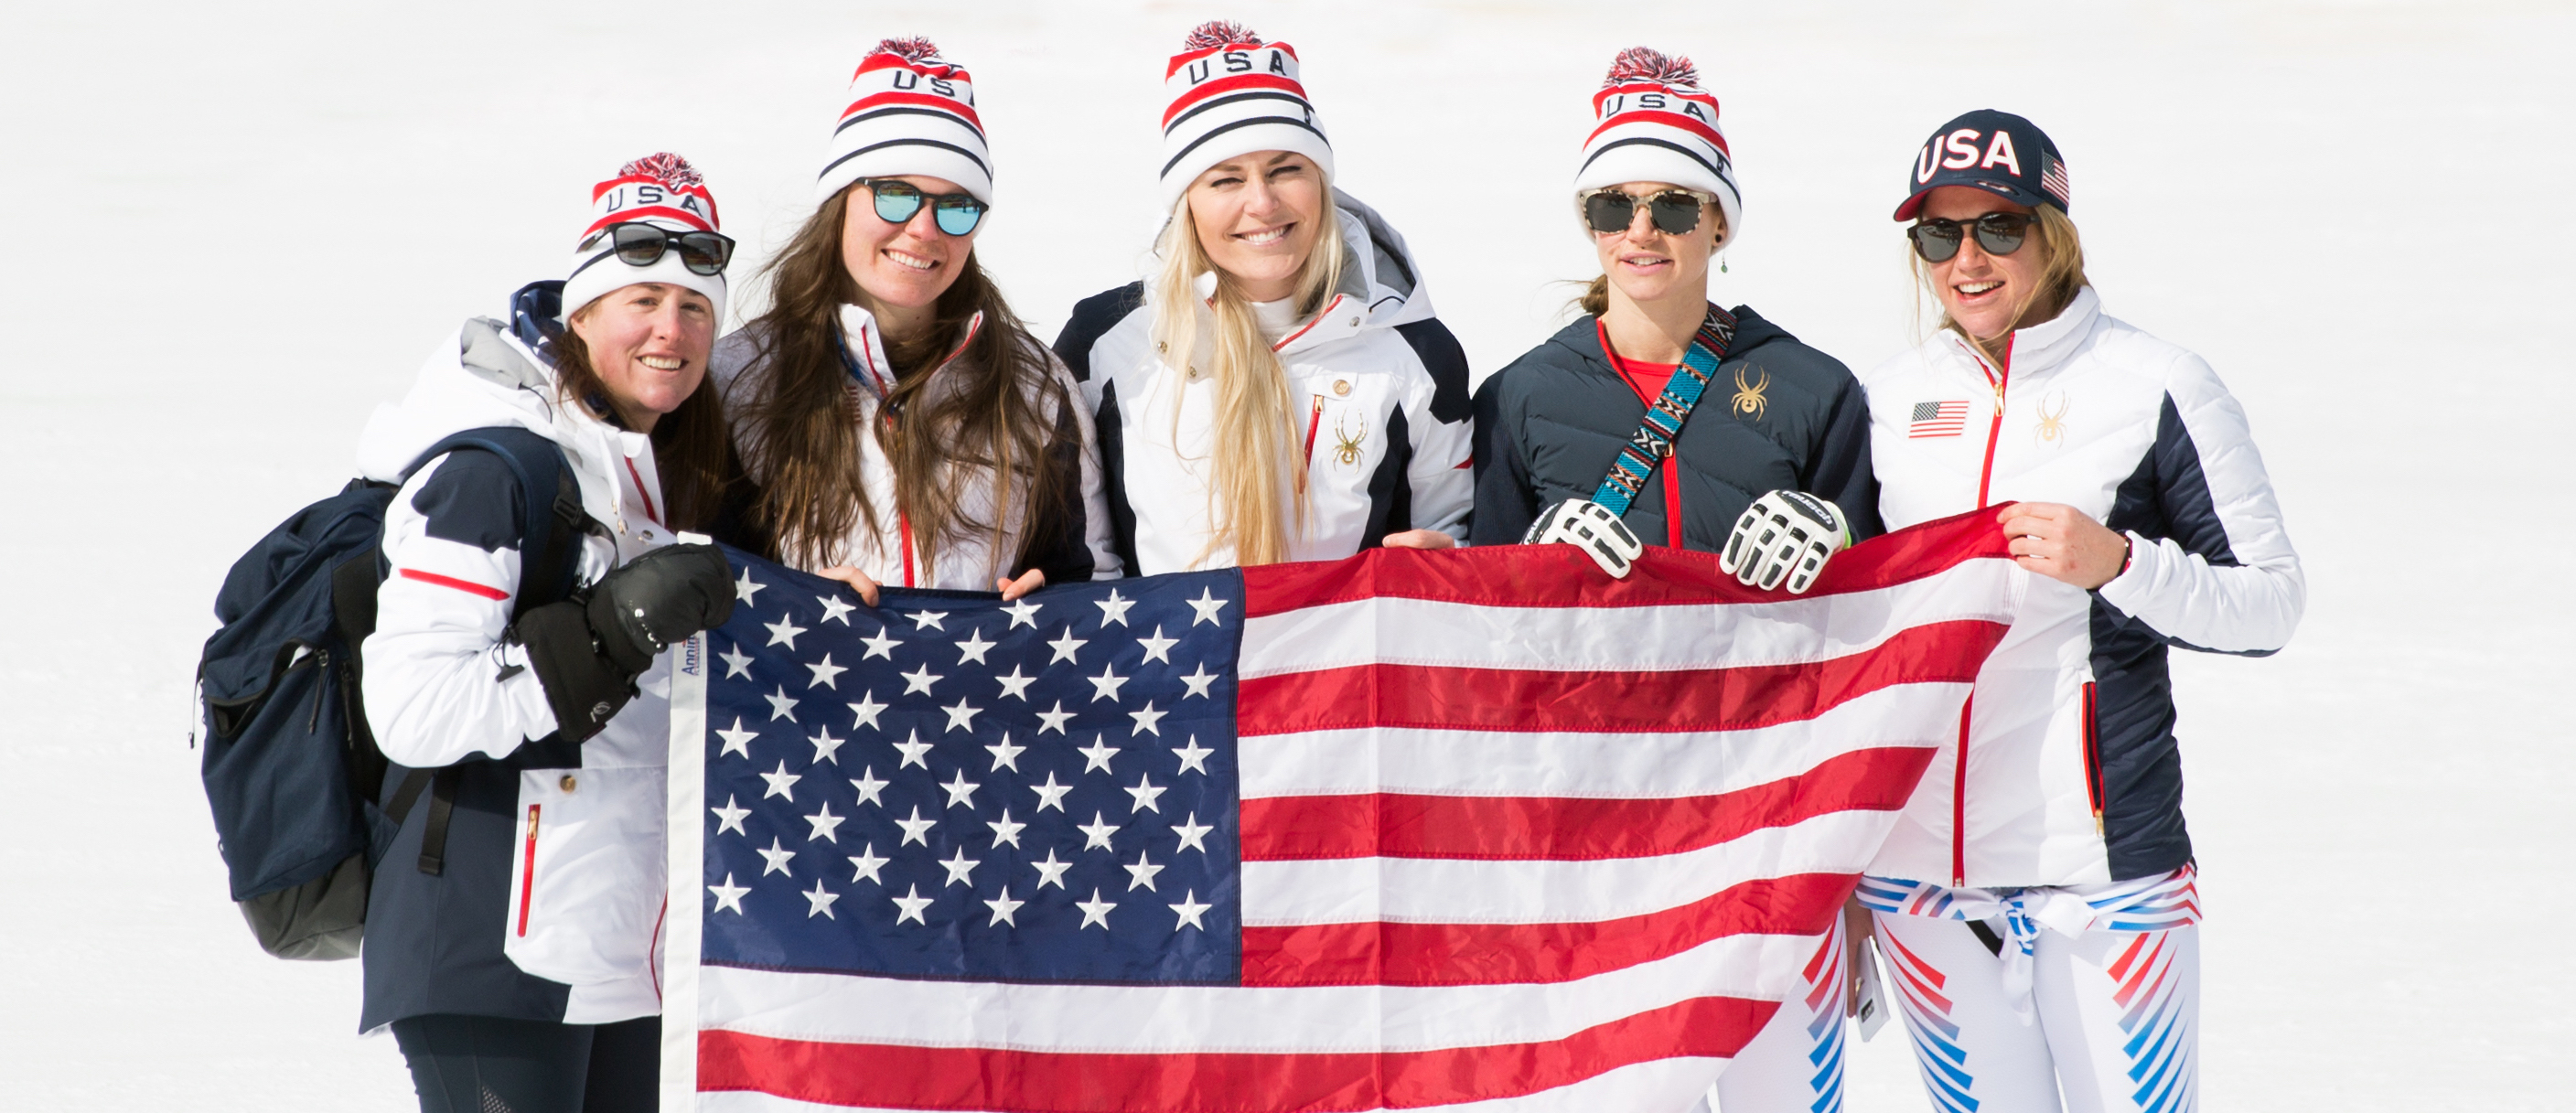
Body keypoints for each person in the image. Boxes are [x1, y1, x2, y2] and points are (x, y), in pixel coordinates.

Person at [1798, 109, 2304, 1112]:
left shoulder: (2156, 385)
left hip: (2104, 878)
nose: (1965, 259)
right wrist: (1845, 865)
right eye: (1938, 235)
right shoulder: (1888, 401)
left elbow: (2268, 602)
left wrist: (2116, 561)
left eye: (1997, 228)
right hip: (1921, 888)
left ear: (2053, 233)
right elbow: (1845, 640)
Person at [1469, 47, 1885, 1111]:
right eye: (1613, 204)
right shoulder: (1520, 393)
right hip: (1597, 819)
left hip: (1774, 804)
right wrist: (1526, 568)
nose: (1640, 230)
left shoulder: (1809, 385)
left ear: (1720, 222)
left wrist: (1838, 527)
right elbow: (1476, 635)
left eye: (1671, 203)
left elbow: (1883, 605)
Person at [354, 153, 741, 1112]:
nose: (671, 329)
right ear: (580, 312)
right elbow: (413, 709)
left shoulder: (660, 460)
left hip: (619, 940)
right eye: (640, 297)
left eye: (696, 306)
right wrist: (610, 632)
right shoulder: (495, 464)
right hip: (489, 937)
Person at [1053, 21, 1471, 573]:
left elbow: (1453, 541)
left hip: (1338, 658)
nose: (1263, 204)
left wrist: (1453, 560)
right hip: (1168, 657)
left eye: (1286, 170)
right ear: (1186, 204)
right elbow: (1080, 555)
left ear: (1322, 183)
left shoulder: (1412, 346)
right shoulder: (1104, 337)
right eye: (1225, 180)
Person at [715, 37, 1116, 598]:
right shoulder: (737, 378)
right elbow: (691, 584)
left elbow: (1096, 578)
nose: (924, 230)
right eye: (896, 195)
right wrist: (785, 598)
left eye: (957, 207)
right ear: (840, 200)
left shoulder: (1034, 386)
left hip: (983, 686)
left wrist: (1052, 594)